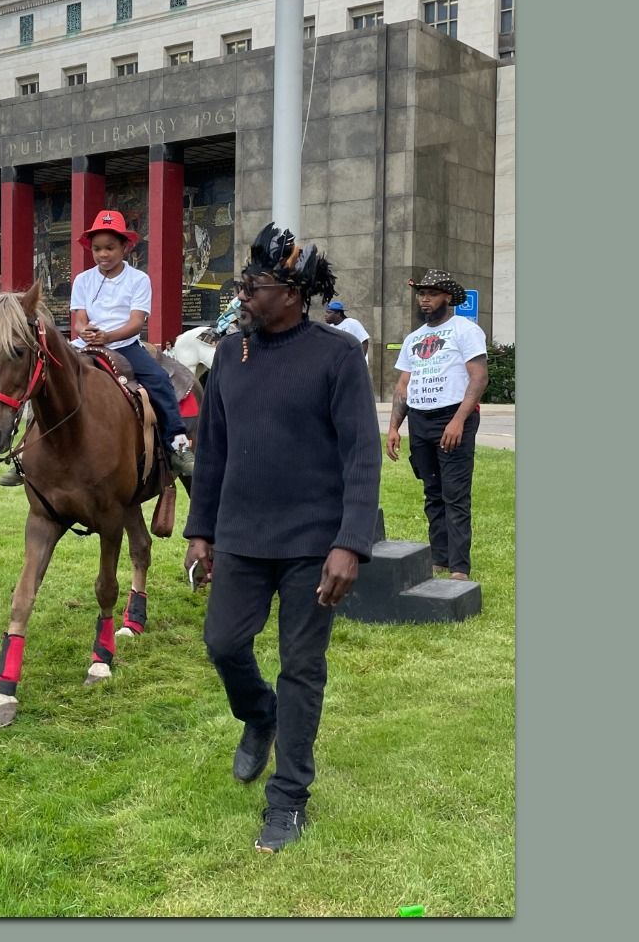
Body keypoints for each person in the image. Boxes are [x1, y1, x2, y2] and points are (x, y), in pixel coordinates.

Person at [183, 222, 381, 854]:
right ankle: (258, 715)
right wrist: (201, 532)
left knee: (301, 666)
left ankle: (289, 798)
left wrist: (350, 543)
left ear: (293, 292)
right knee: (221, 643)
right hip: (241, 536)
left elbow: (361, 455)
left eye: (255, 284)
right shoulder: (230, 358)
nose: (243, 293)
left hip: (312, 546)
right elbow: (211, 454)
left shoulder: (337, 356)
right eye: (244, 282)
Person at [67, 209, 192, 475]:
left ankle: (178, 444)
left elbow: (137, 322)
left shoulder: (138, 280)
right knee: (46, 374)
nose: (103, 254)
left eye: (110, 248)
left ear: (125, 246)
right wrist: (84, 330)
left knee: (159, 379)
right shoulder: (82, 280)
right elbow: (79, 318)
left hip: (124, 346)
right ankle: (26, 457)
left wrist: (107, 337)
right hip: (86, 346)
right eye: (97, 248)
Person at [386, 269, 488, 582]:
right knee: (432, 492)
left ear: (447, 296)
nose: (425, 299)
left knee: (455, 494)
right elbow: (403, 384)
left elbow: (479, 377)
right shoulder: (413, 338)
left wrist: (459, 420)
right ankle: (439, 558)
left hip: (452, 417)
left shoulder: (464, 330)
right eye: (421, 293)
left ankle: (459, 568)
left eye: (431, 293)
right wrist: (394, 427)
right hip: (420, 419)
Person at [321, 300, 371, 366]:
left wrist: (359, 362)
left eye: (329, 313)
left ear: (338, 314)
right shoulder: (331, 327)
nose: (326, 315)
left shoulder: (352, 323)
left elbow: (364, 342)